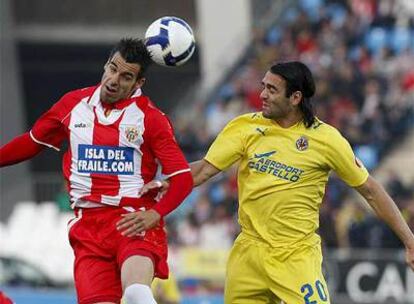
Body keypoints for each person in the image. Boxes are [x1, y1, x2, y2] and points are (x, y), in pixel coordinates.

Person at [143, 61, 414, 303]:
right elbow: (202, 170)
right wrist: (165, 184)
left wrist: (409, 240)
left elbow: (370, 190)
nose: (262, 95)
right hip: (248, 254)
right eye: (263, 87)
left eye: (272, 90)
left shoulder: (326, 140)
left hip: (295, 256)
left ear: (295, 97)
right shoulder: (245, 127)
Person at [0, 38, 193, 304]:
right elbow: (32, 142)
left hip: (132, 219)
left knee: (137, 293)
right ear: (105, 65)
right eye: (112, 69)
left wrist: (155, 214)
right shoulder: (72, 105)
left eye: (126, 77)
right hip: (88, 228)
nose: (114, 80)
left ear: (138, 84)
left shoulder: (151, 119)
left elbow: (182, 179)